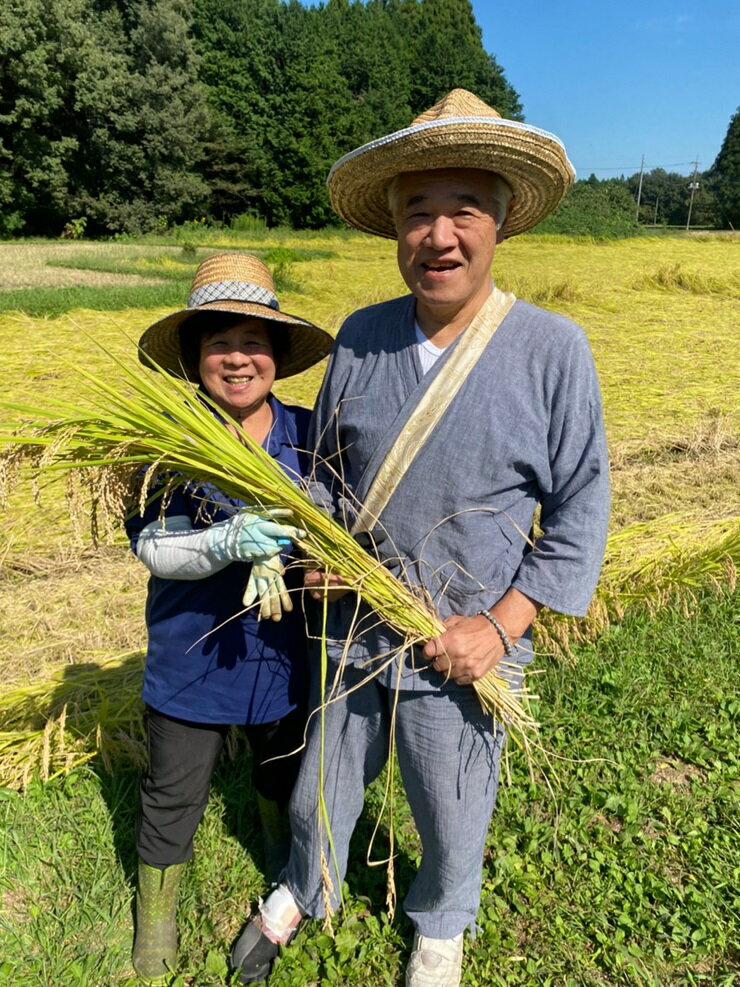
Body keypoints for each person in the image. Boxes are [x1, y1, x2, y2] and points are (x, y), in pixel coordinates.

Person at [231, 90, 611, 987]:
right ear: (395, 227)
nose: (439, 235)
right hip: (355, 628)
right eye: (417, 211)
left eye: (464, 209)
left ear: (502, 220)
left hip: (461, 645)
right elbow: (327, 471)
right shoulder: (362, 337)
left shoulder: (552, 350)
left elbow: (580, 509)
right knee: (323, 784)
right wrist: (317, 548)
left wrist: (503, 624)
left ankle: (442, 921)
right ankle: (306, 882)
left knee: (451, 803)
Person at [125, 252, 333, 985]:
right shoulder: (166, 441)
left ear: (277, 355)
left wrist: (321, 555)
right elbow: (153, 547)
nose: (238, 358)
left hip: (282, 654)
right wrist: (225, 542)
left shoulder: (309, 434)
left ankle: (281, 866)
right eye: (219, 343)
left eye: (254, 341)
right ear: (194, 357)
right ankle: (157, 921)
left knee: (282, 773)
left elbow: (344, 523)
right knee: (173, 792)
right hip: (191, 658)